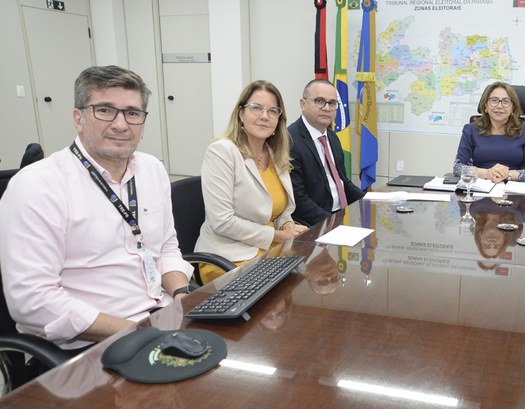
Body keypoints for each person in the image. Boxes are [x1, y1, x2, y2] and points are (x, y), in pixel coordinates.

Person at [0, 65, 193, 353]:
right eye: (104, 110)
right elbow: (32, 300)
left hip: (159, 320)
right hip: (88, 344)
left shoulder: (152, 169)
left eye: (132, 113)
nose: (120, 124)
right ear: (78, 118)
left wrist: (181, 295)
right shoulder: (37, 185)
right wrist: (137, 331)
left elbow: (165, 247)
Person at [194, 80, 308, 284]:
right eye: (256, 108)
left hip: (271, 251)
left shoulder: (275, 154)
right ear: (241, 114)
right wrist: (279, 236)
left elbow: (278, 212)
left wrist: (288, 225)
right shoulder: (222, 152)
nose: (265, 116)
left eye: (273, 111)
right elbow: (222, 222)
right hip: (230, 258)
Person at [288, 79, 365, 226]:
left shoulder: (332, 136)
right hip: (313, 224)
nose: (327, 108)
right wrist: (333, 224)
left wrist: (369, 202)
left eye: (332, 103)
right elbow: (298, 200)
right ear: (302, 104)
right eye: (319, 101)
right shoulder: (290, 141)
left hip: (340, 215)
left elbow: (343, 182)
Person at [454, 81, 525, 183]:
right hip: (479, 187)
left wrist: (506, 175)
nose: (499, 106)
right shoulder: (470, 130)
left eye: (506, 101)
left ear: (513, 107)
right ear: (485, 105)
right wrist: (487, 173)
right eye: (494, 100)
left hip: (514, 189)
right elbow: (458, 168)